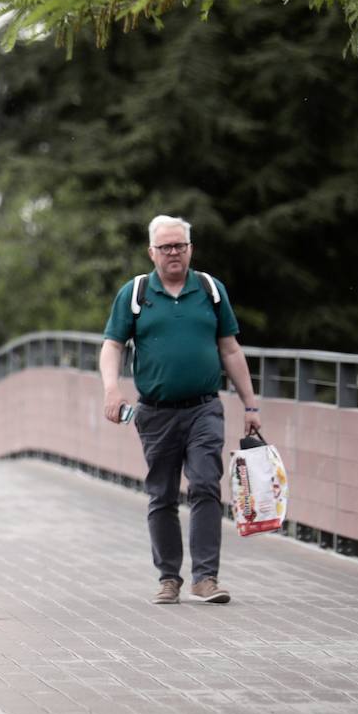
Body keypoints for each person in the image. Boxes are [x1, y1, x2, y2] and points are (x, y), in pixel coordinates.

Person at [99, 215, 262, 606]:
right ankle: (169, 577)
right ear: (151, 252)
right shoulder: (135, 293)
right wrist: (111, 388)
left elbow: (230, 349)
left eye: (180, 246)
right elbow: (113, 345)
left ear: (190, 249)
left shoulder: (210, 290)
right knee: (162, 495)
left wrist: (251, 405)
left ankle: (206, 577)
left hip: (204, 407)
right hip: (155, 413)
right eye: (166, 247)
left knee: (206, 483)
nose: (174, 253)